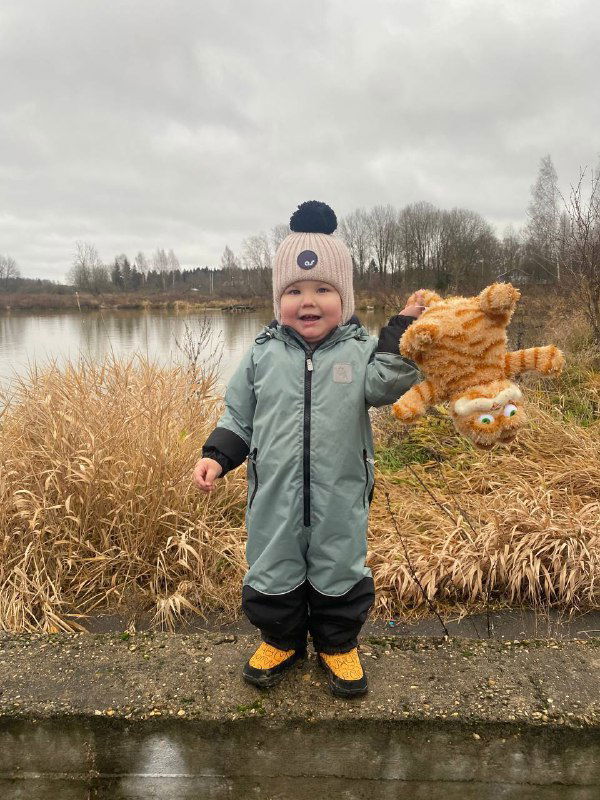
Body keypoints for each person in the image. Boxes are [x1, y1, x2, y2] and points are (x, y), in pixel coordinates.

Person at [193, 200, 424, 697]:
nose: (308, 301)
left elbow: (385, 385)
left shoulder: (361, 350)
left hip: (340, 494)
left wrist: (401, 330)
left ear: (345, 299)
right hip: (274, 496)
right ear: (279, 299)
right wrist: (217, 454)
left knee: (340, 564)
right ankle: (282, 639)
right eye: (294, 291)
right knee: (273, 565)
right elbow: (239, 417)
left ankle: (337, 644)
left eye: (323, 289)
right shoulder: (260, 354)